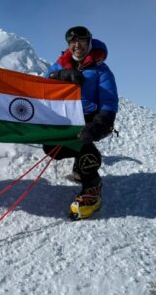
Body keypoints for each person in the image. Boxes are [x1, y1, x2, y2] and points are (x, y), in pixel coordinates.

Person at [44, 26, 118, 220]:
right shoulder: (60, 65)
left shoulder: (101, 70)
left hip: (90, 119)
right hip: (65, 118)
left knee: (84, 145)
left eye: (81, 41)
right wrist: (60, 76)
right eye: (72, 42)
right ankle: (81, 163)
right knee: (51, 148)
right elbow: (44, 85)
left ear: (89, 42)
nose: (77, 45)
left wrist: (99, 124)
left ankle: (92, 186)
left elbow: (109, 102)